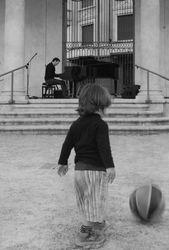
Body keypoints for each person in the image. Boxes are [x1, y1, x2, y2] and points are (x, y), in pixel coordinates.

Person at [57, 83, 116, 248]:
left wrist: (62, 162)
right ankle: (86, 232)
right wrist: (110, 166)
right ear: (99, 105)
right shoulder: (101, 125)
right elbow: (104, 148)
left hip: (79, 171)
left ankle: (94, 223)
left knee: (85, 201)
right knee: (95, 200)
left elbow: (67, 144)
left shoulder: (76, 124)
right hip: (95, 171)